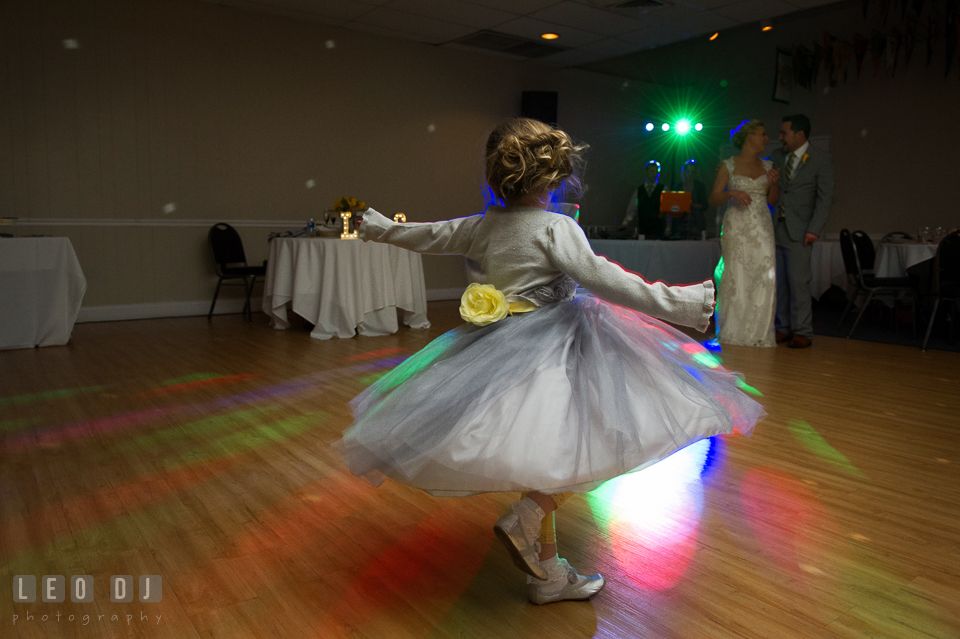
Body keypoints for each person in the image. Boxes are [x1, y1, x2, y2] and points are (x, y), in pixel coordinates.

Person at [334, 117, 765, 605]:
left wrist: (379, 228)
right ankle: (530, 521)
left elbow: (427, 235)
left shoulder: (482, 225)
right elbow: (605, 279)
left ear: (497, 177)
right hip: (558, 345)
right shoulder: (557, 227)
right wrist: (682, 303)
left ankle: (548, 573)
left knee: (545, 447)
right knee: (580, 442)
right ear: (554, 176)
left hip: (496, 348)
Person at [708, 119, 780, 347]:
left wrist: (774, 185)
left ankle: (759, 333)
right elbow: (713, 198)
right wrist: (731, 194)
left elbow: (773, 200)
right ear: (750, 136)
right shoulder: (728, 165)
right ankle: (732, 330)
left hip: (762, 227)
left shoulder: (768, 167)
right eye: (763, 133)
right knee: (736, 273)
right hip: (736, 226)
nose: (767, 138)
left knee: (763, 274)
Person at [771, 114, 834, 349]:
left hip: (801, 231)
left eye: (784, 133)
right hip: (776, 228)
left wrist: (814, 229)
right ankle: (783, 327)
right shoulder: (777, 156)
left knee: (799, 283)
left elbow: (825, 198)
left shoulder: (820, 158)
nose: (780, 138)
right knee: (779, 283)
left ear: (799, 134)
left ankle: (803, 331)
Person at [621, 161, 664, 239]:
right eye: (652, 171)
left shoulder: (663, 189)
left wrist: (668, 230)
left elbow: (667, 211)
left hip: (658, 230)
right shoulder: (639, 191)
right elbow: (632, 209)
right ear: (646, 172)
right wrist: (625, 223)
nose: (654, 174)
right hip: (643, 228)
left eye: (656, 171)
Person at [674, 159, 710, 238]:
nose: (691, 174)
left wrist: (692, 204)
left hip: (696, 223)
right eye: (689, 171)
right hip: (680, 223)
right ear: (684, 172)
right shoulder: (678, 187)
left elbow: (705, 205)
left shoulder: (699, 187)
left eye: (693, 172)